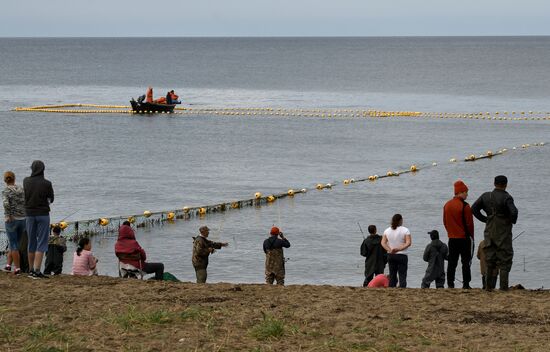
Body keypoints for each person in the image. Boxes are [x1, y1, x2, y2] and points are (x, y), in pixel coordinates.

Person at [472, 175, 518, 291]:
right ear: (506, 185)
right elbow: (514, 212)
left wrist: (485, 219)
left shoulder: (486, 196)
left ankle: (488, 287)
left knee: (490, 259)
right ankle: (503, 288)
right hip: (503, 232)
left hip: (489, 231)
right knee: (505, 260)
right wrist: (510, 220)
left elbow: (473, 209)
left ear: (494, 184)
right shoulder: (507, 197)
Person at [23, 161, 54, 279]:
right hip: (43, 215)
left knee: (31, 242)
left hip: (29, 214)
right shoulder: (47, 183)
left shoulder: (26, 181)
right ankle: (37, 270)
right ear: (43, 169)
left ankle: (30, 270)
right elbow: (51, 198)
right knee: (41, 242)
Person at [443, 180, 475, 289]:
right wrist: (472, 237)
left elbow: (445, 222)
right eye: (466, 192)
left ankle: (450, 283)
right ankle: (466, 284)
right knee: (466, 262)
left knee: (452, 262)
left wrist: (450, 232)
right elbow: (469, 224)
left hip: (452, 238)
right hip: (464, 238)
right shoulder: (465, 206)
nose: (467, 194)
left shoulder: (447, 205)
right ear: (460, 192)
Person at [2, 171, 26, 275]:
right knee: (15, 243)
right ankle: (8, 265)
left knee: (13, 244)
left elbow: (6, 204)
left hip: (12, 220)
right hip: (23, 219)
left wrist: (9, 215)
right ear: (14, 178)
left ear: (5, 180)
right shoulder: (21, 189)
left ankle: (17, 268)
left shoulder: (6, 190)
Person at [381, 214, 411, 288]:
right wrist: (399, 249)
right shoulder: (405, 230)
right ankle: (402, 288)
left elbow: (383, 242)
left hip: (391, 255)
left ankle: (392, 288)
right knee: (402, 274)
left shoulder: (387, 230)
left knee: (392, 274)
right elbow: (408, 243)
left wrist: (390, 250)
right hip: (402, 255)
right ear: (400, 220)